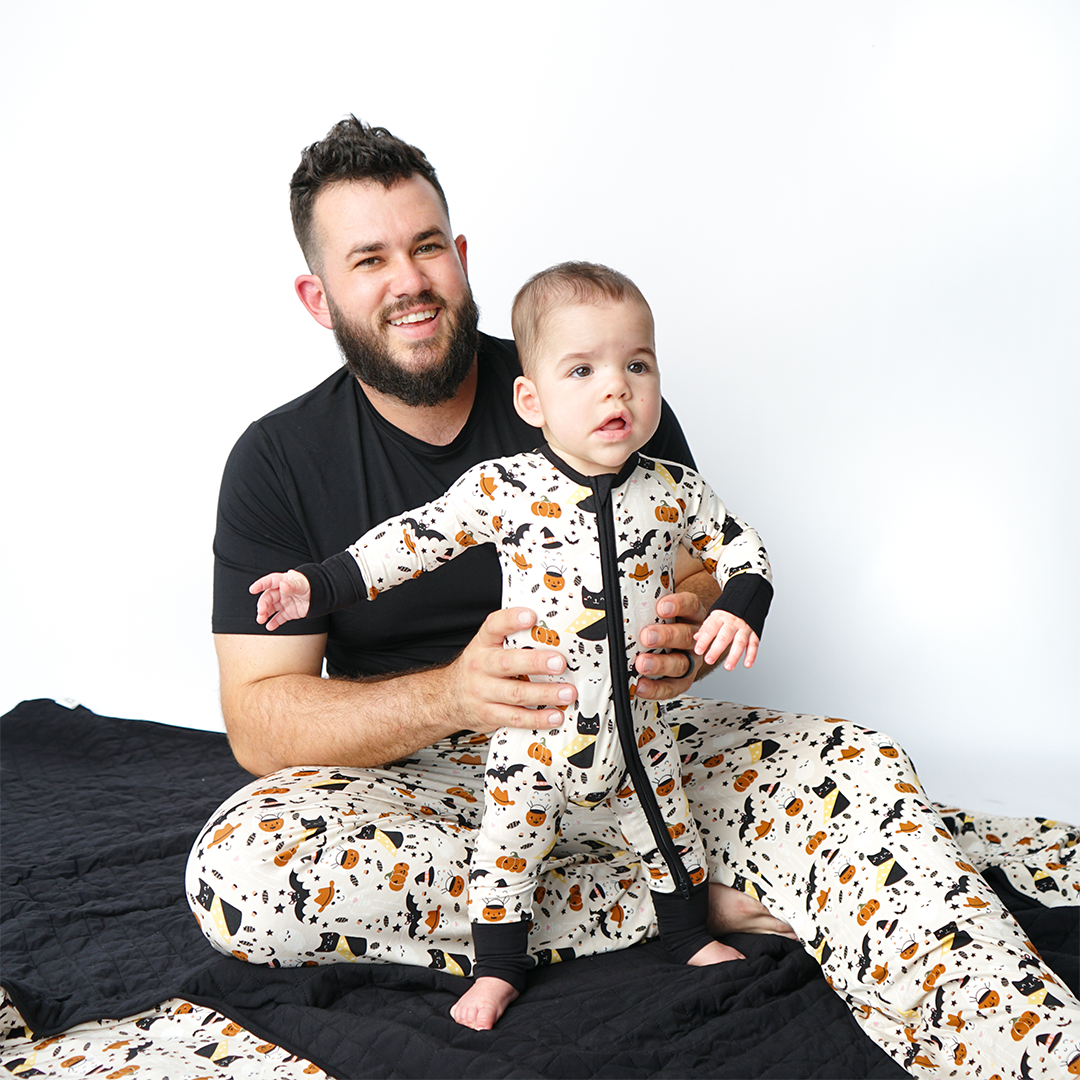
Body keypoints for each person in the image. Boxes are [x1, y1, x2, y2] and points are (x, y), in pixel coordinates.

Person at [188, 117, 1079, 1074]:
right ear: (316, 297)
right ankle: (687, 898)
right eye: (371, 260)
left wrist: (691, 619)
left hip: (640, 746)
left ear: (461, 256)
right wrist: (455, 694)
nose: (410, 280)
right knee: (240, 868)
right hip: (427, 791)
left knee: (848, 760)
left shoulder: (594, 375)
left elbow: (700, 557)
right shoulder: (275, 460)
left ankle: (1030, 1053)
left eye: (428, 246)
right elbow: (260, 723)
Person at [249, 261, 772, 1027]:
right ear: (532, 399)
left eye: (637, 365)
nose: (615, 389)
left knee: (672, 832)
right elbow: (409, 542)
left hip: (637, 733)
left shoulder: (671, 490)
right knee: (507, 854)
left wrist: (738, 605)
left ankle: (688, 930)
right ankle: (497, 967)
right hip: (535, 735)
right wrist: (315, 586)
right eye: (583, 370)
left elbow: (740, 548)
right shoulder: (509, 488)